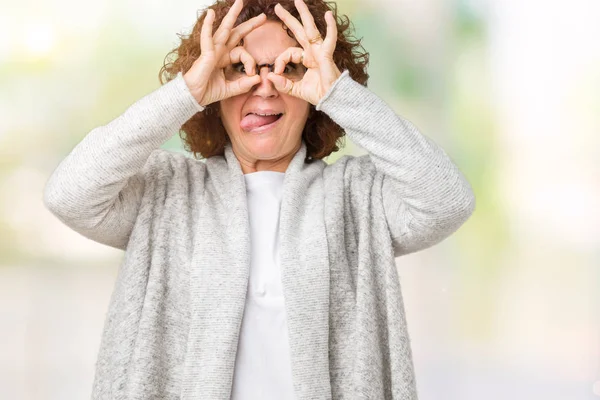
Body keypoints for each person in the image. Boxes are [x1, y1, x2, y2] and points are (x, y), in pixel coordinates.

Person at [43, 0, 475, 398]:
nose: (265, 87)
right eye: (239, 68)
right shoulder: (167, 190)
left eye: (290, 68)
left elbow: (447, 200)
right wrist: (185, 93)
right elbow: (70, 194)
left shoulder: (358, 196)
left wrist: (339, 92)